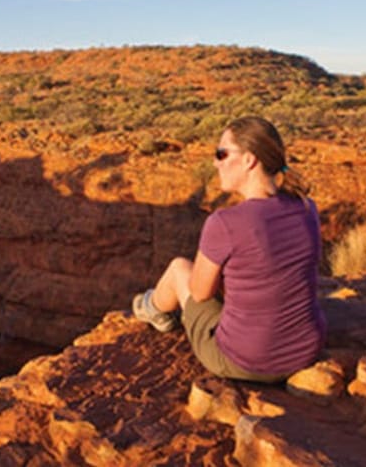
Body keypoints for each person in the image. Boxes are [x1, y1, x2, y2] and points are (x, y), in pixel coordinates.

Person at [131, 116, 326, 382]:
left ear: (249, 159)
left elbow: (200, 293)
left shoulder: (225, 223)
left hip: (246, 361)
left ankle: (150, 308)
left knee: (179, 269)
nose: (215, 162)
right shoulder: (306, 207)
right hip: (304, 352)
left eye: (221, 153)